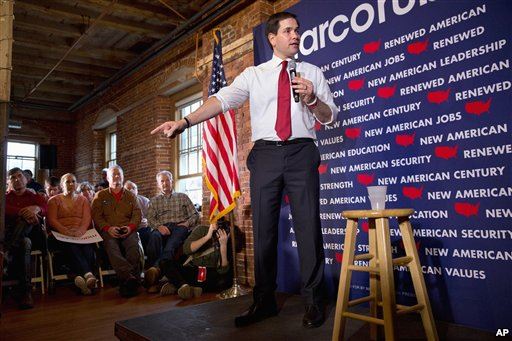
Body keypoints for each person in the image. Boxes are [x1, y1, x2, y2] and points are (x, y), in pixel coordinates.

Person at [151, 12, 338, 328]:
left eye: (297, 30)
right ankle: (263, 302)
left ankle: (313, 303)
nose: (295, 35)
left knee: (308, 229)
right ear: (272, 37)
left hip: (302, 153)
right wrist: (184, 122)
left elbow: (329, 116)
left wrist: (312, 98)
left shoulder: (312, 73)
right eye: (288, 30)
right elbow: (221, 101)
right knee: (264, 232)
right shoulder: (255, 75)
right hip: (265, 155)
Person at [143, 170, 199, 293]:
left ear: (172, 181)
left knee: (172, 244)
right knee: (154, 237)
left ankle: (155, 269)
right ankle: (154, 280)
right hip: (163, 227)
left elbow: (195, 215)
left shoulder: (182, 197)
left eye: (167, 180)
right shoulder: (154, 201)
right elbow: (150, 219)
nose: (165, 183)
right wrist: (158, 227)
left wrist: (187, 223)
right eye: (162, 181)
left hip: (180, 226)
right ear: (158, 184)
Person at [91, 165, 142, 297]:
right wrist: (108, 228)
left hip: (127, 230)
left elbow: (137, 214)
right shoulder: (100, 196)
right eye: (114, 174)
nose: (117, 177)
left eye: (119, 174)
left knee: (134, 248)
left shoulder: (130, 195)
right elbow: (96, 216)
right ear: (107, 178)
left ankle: (126, 282)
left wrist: (130, 227)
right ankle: (131, 279)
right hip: (109, 231)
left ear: (123, 177)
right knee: (112, 248)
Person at [4, 167, 48, 309]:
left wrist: (37, 209)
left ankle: (7, 254)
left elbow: (46, 207)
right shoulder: (5, 197)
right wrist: (23, 212)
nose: (17, 179)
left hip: (32, 235)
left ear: (26, 179)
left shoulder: (33, 196)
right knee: (25, 242)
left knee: (27, 233)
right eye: (13, 178)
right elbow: (4, 209)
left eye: (19, 176)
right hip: (10, 235)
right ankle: (26, 292)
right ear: (8, 181)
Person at [47, 173, 97, 295]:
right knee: (71, 245)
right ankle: (88, 274)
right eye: (67, 182)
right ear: (61, 185)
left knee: (88, 247)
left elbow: (87, 219)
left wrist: (80, 231)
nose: (71, 184)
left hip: (80, 233)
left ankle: (80, 280)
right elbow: (52, 220)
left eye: (73, 181)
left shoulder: (83, 200)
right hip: (60, 234)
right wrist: (66, 231)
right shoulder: (54, 200)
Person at [158, 219, 232, 298]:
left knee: (224, 282)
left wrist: (223, 245)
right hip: (191, 269)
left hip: (207, 275)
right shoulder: (202, 230)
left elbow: (223, 271)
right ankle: (184, 286)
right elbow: (186, 250)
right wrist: (207, 237)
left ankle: (178, 285)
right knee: (164, 262)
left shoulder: (227, 242)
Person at [123, 180, 151, 263]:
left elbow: (152, 216)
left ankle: (149, 263)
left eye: (134, 188)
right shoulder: (121, 202)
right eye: (128, 188)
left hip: (143, 228)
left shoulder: (145, 201)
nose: (131, 190)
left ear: (137, 190)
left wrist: (148, 221)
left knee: (150, 234)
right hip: (129, 229)